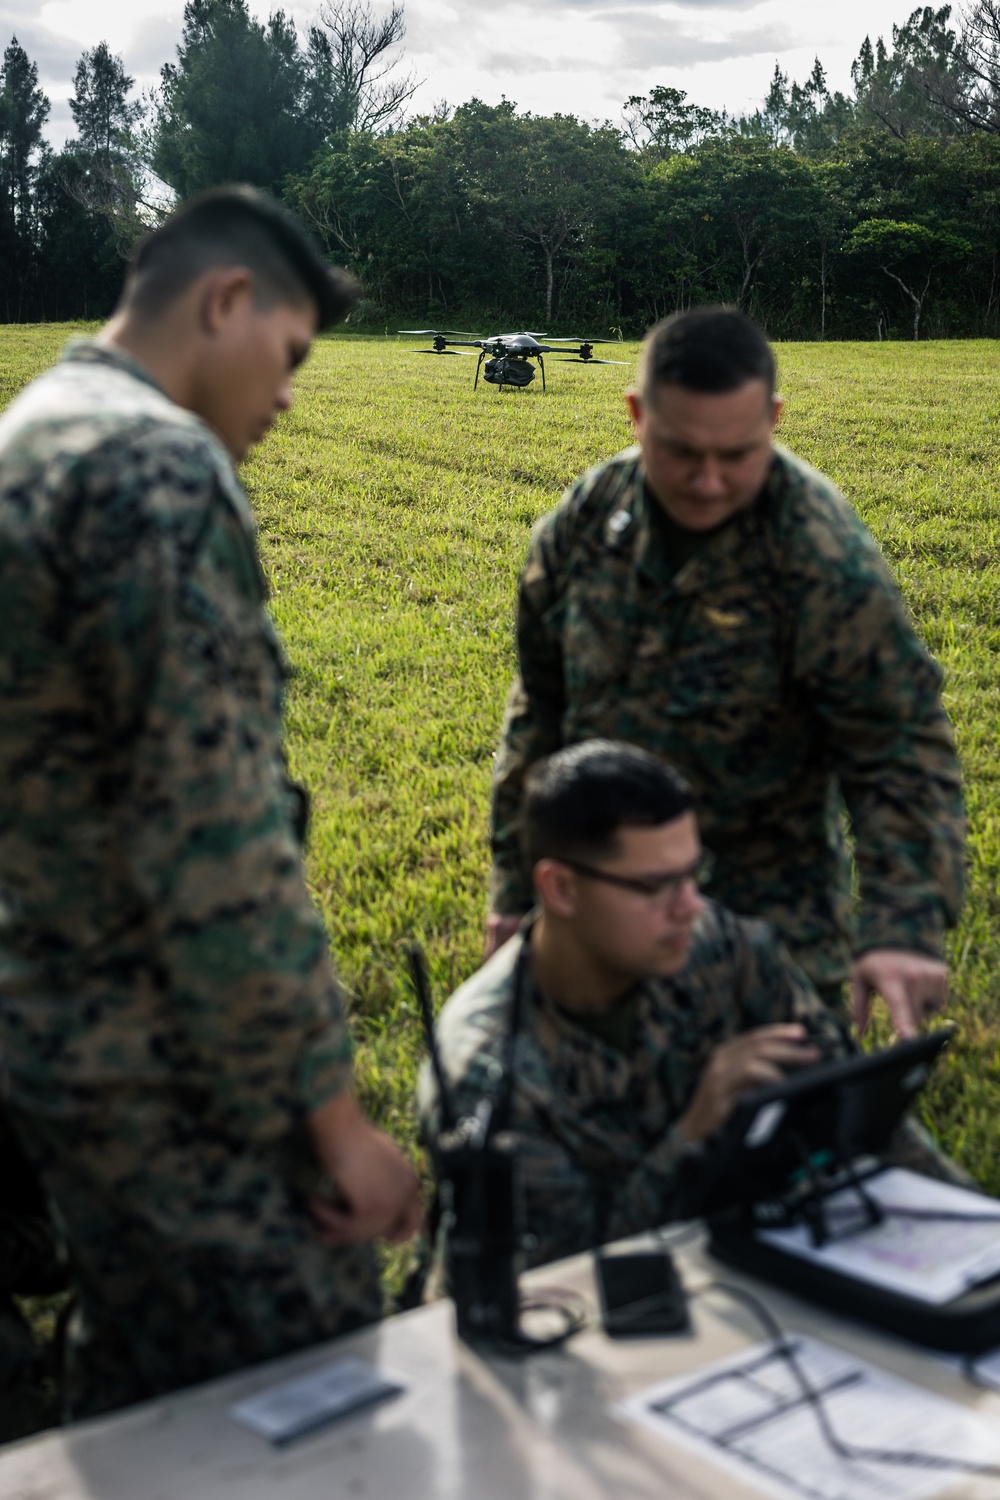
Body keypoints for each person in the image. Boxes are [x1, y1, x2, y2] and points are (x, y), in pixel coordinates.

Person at [0, 186, 421, 1420]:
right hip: (161, 1056)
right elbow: (216, 846)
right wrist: (329, 1119)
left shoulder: (35, 432)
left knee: (138, 1392)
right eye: (288, 356)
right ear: (224, 301)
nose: (288, 396)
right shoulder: (157, 470)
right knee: (297, 1386)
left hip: (51, 1024)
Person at [487, 308, 964, 1035]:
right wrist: (515, 887)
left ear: (773, 418)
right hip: (600, 911)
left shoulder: (821, 554)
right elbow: (539, 716)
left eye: (737, 454)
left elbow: (898, 744)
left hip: (767, 926)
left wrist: (904, 923)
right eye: (680, 451)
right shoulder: (584, 527)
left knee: (779, 1133)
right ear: (637, 414)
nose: (709, 482)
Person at [423, 742, 964, 1270]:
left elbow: (858, 1118)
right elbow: (566, 1288)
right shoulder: (489, 1071)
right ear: (561, 888)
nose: (690, 907)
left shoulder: (722, 950)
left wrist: (974, 1228)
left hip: (749, 1272)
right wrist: (695, 1132)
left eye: (693, 873)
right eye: (657, 885)